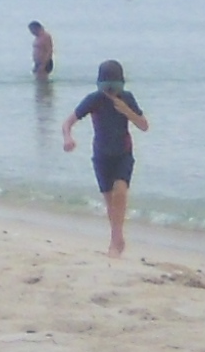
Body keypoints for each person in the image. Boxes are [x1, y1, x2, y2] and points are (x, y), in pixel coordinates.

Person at [61, 60, 151, 257]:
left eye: (114, 88)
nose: (111, 92)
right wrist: (68, 138)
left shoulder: (127, 98)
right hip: (101, 155)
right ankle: (117, 238)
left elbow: (144, 126)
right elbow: (67, 122)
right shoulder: (94, 100)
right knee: (110, 203)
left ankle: (114, 242)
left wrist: (126, 110)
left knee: (121, 192)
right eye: (107, 88)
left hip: (123, 153)